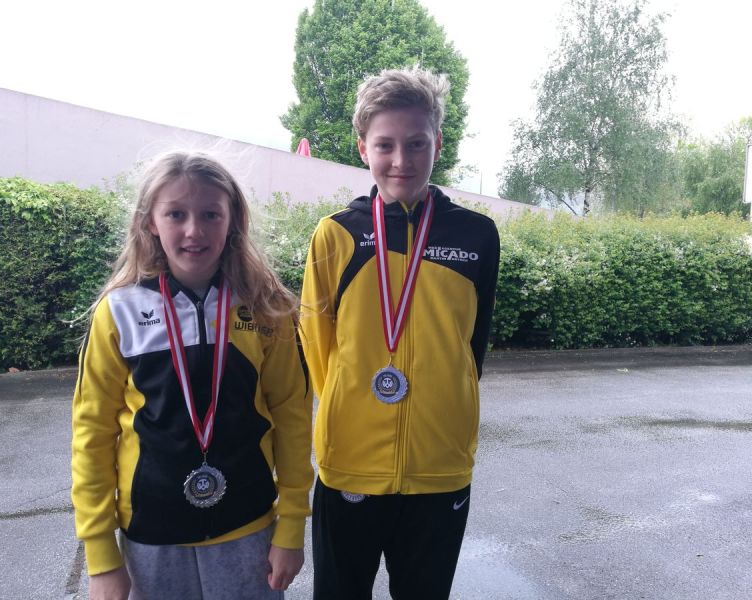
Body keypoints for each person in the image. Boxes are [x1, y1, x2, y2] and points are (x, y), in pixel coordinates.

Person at [71, 150, 313, 600]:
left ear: (233, 220)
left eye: (210, 214)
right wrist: (101, 555)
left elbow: (293, 418)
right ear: (150, 221)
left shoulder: (267, 307)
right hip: (151, 536)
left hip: (249, 527)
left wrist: (292, 525)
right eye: (176, 214)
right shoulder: (119, 311)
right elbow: (92, 433)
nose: (194, 230)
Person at [299, 67, 501, 599]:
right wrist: (350, 406)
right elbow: (316, 344)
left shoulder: (476, 235)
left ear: (438, 143)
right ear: (362, 147)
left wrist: (447, 400)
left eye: (416, 143)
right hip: (351, 461)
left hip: (440, 461)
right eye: (385, 145)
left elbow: (472, 344)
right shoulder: (336, 234)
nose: (401, 160)